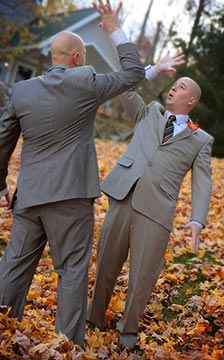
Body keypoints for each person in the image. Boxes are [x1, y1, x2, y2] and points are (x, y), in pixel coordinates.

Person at [0, 0, 145, 348]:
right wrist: (114, 31)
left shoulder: (21, 91)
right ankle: (66, 347)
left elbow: (2, 140)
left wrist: (1, 184)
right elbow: (134, 74)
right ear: (78, 58)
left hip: (30, 196)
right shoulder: (86, 81)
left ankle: (3, 332)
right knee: (71, 271)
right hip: (71, 197)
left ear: (54, 56)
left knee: (13, 267)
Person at [87, 53, 214, 350]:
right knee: (106, 265)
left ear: (191, 100)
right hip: (124, 196)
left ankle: (127, 335)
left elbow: (203, 180)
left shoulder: (201, 140)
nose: (173, 88)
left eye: (180, 86)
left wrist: (197, 220)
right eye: (173, 84)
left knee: (142, 277)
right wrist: (153, 71)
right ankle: (92, 320)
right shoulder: (149, 113)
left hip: (157, 210)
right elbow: (125, 88)